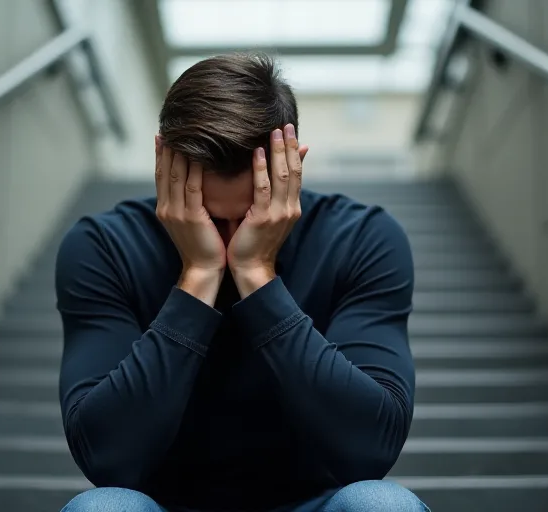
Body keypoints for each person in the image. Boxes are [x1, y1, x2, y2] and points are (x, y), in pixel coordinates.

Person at [56, 53, 425, 512]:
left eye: (251, 214)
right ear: (163, 164)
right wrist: (198, 276)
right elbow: (107, 459)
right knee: (104, 509)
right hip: (165, 506)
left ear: (290, 168)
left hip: (311, 504)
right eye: (206, 217)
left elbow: (371, 448)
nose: (227, 239)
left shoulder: (363, 238)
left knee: (381, 505)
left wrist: (256, 274)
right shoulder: (104, 246)